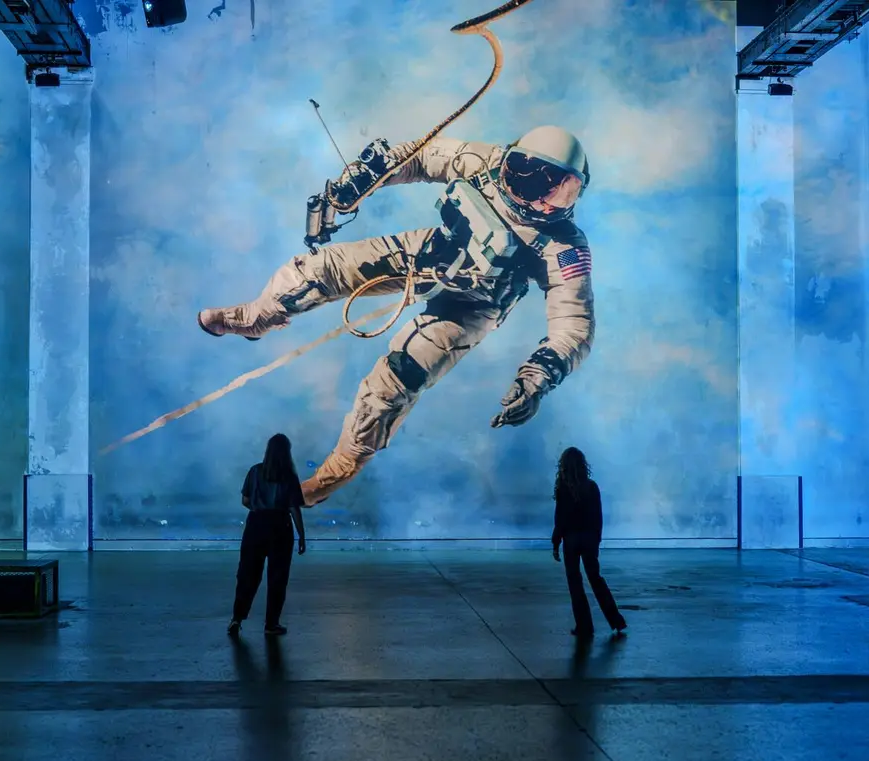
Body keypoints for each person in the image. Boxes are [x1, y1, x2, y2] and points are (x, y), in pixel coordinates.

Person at [198, 126, 596, 506]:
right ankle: (257, 317)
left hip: (473, 305)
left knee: (391, 386)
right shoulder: (483, 162)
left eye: (564, 191)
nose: (544, 202)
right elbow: (419, 158)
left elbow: (573, 324)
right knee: (320, 270)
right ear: (514, 167)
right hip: (431, 253)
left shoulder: (563, 246)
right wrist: (368, 175)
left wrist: (537, 379)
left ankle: (329, 477)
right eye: (534, 185)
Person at [229, 433, 307, 638]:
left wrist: (258, 506)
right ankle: (271, 624)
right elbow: (294, 509)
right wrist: (302, 536)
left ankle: (237, 618)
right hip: (280, 526)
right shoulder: (289, 475)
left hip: (256, 524)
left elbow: (245, 500)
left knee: (247, 573)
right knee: (277, 577)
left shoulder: (255, 471)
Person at [551, 447, 626, 638]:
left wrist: (556, 542)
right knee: (596, 579)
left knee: (575, 583)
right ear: (583, 465)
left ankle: (584, 626)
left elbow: (560, 519)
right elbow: (597, 517)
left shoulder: (563, 488)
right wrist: (596, 540)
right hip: (589, 539)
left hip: (571, 540)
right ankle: (616, 620)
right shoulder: (591, 487)